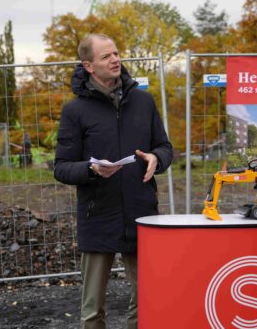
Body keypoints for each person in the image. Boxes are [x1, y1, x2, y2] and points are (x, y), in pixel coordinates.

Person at [53, 33, 173, 329]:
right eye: (106, 56)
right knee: (92, 311)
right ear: (89, 66)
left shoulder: (143, 102)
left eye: (117, 53)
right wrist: (92, 170)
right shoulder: (75, 111)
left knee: (146, 301)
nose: (116, 59)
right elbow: (61, 167)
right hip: (98, 215)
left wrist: (157, 158)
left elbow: (165, 147)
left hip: (141, 213)